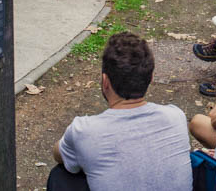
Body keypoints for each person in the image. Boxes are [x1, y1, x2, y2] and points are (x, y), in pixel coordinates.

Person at [48, 32, 192, 191]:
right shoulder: (176, 116)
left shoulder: (84, 131)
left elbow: (58, 155)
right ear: (151, 77)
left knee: (60, 175)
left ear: (105, 81)